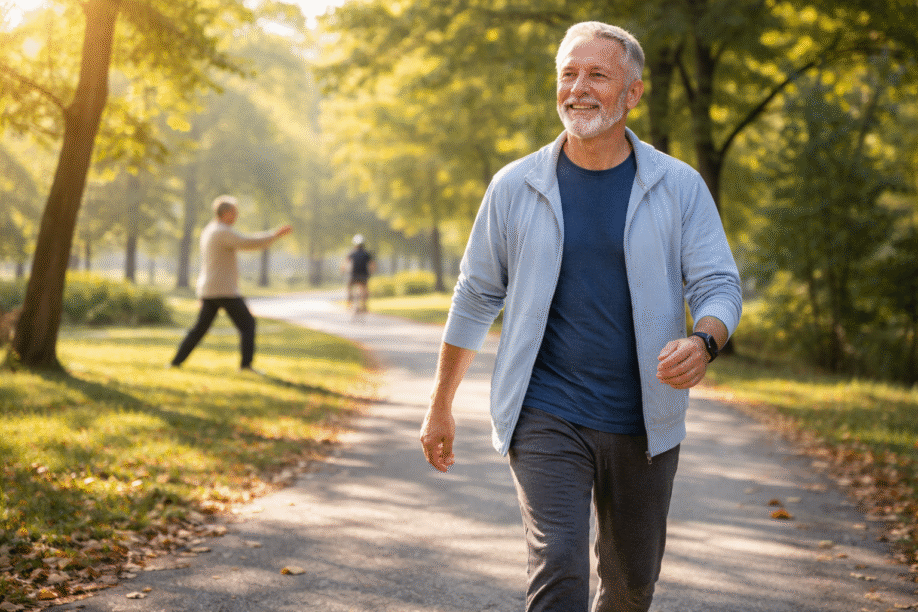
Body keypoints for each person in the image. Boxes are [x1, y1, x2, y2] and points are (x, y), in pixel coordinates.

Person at [419, 21, 742, 612]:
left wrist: (705, 340)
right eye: (568, 73)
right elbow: (475, 295)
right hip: (546, 412)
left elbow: (718, 283)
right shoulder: (515, 186)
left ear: (633, 93)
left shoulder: (677, 186)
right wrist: (440, 405)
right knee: (559, 566)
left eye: (597, 74)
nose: (578, 88)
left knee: (629, 585)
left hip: (645, 419)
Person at [170, 195, 292, 371]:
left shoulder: (210, 229)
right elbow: (247, 242)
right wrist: (275, 235)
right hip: (223, 289)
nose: (236, 216)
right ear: (226, 213)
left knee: (199, 329)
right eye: (234, 213)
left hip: (210, 288)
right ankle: (246, 365)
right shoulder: (222, 231)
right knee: (248, 324)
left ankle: (176, 362)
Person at [342, 234, 375, 314]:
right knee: (364, 290)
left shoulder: (351, 253)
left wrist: (343, 271)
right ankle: (364, 306)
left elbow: (345, 264)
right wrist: (371, 272)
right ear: (363, 244)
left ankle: (349, 303)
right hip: (364, 275)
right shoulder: (367, 254)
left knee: (349, 288)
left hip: (353, 275)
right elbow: (372, 265)